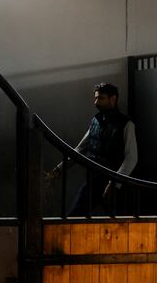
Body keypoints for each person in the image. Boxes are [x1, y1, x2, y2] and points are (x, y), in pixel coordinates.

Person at [48, 82, 137, 216]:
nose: (96, 102)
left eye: (101, 98)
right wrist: (61, 167)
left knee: (118, 225)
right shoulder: (96, 120)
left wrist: (114, 183)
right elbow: (80, 149)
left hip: (115, 184)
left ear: (113, 99)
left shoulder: (126, 124)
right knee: (74, 217)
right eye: (95, 98)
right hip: (94, 180)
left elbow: (131, 158)